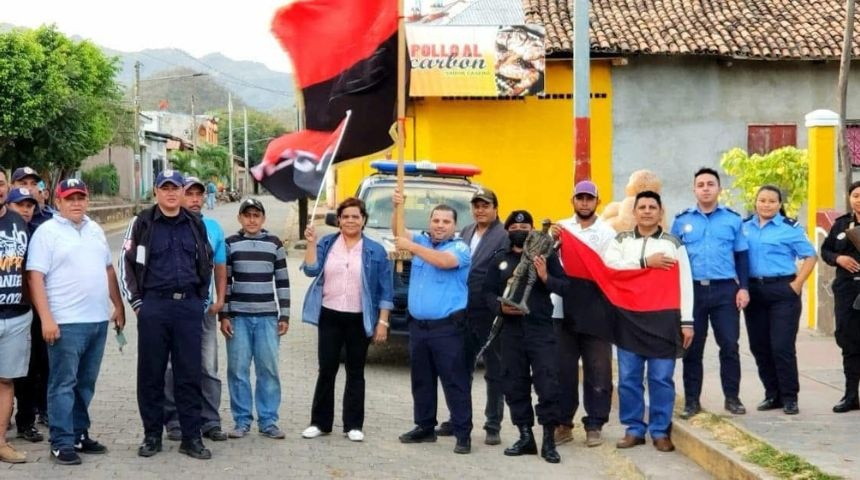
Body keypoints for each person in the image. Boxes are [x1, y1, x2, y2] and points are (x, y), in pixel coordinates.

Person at [27, 179, 125, 465]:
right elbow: (35, 277)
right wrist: (46, 318)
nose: (76, 203)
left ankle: (80, 433)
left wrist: (118, 305)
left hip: (97, 321)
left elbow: (108, 269)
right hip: (65, 322)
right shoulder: (47, 232)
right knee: (63, 383)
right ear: (58, 201)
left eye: (81, 197)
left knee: (86, 383)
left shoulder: (95, 230)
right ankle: (61, 441)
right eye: (70, 198)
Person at [118, 169, 214, 460]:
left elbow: (207, 263)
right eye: (165, 187)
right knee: (151, 374)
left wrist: (201, 301)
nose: (171, 193)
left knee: (189, 374)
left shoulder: (196, 224)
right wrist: (137, 304)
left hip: (188, 308)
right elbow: (126, 264)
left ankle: (191, 437)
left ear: (183, 192)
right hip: (154, 308)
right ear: (156, 191)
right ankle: (151, 436)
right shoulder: (142, 223)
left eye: (176, 188)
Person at [604, 191, 694, 453]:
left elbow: (685, 283)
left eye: (651, 207)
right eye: (641, 206)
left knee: (661, 378)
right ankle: (634, 429)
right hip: (628, 319)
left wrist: (687, 321)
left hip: (664, 321)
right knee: (629, 378)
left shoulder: (672, 244)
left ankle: (659, 430)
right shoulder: (620, 241)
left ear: (660, 212)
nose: (646, 211)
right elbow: (611, 269)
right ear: (634, 212)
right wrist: (645, 262)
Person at [300, 198, 393, 442]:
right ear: (338, 220)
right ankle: (320, 423)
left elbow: (386, 290)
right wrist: (310, 244)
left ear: (363, 220)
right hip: (329, 314)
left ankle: (353, 424)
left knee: (355, 371)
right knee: (327, 369)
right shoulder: (327, 243)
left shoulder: (376, 250)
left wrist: (382, 322)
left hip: (360, 317)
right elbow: (310, 270)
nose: (351, 220)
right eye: (346, 216)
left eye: (356, 216)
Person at [392, 191, 473, 454]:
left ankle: (462, 434)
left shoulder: (460, 248)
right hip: (419, 327)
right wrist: (397, 207)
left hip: (447, 329)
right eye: (435, 220)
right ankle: (425, 427)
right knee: (422, 381)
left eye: (445, 222)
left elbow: (444, 262)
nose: (439, 225)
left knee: (454, 382)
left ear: (454, 226)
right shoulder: (422, 240)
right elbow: (399, 230)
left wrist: (411, 246)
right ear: (430, 223)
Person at [672, 167, 749, 419]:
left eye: (710, 184)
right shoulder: (681, 221)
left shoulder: (732, 219)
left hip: (725, 290)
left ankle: (732, 398)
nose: (705, 188)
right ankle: (692, 401)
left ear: (719, 189)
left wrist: (744, 288)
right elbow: (673, 258)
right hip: (692, 291)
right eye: (701, 184)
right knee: (692, 347)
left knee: (729, 345)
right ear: (694, 189)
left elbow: (741, 256)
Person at [489, 210, 563, 463]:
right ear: (507, 231)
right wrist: (499, 307)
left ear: (533, 231)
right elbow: (486, 292)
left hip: (540, 329)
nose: (519, 231)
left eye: (525, 227)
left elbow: (565, 286)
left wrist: (545, 276)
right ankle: (525, 436)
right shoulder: (500, 257)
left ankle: (549, 441)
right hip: (510, 331)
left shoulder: (547, 256)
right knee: (514, 384)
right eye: (513, 228)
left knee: (548, 384)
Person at [550, 180, 616, 447]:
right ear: (573, 201)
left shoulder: (608, 232)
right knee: (562, 369)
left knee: (598, 368)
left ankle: (595, 424)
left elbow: (610, 268)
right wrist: (550, 240)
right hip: (562, 307)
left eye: (589, 198)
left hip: (597, 308)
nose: (585, 202)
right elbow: (547, 261)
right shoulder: (561, 229)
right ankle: (563, 423)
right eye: (580, 198)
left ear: (597, 202)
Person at [163, 176, 228, 442]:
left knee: (207, 367)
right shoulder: (167, 226)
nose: (195, 200)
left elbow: (220, 267)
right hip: (172, 310)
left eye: (199, 195)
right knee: (171, 367)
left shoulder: (213, 227)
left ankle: (209, 420)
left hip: (203, 311)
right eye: (189, 194)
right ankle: (175, 420)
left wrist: (220, 299)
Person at [219, 198, 290, 440]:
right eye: (247, 215)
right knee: (237, 370)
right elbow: (225, 282)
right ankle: (241, 421)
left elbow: (282, 280)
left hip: (268, 318)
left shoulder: (274, 243)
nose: (251, 220)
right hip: (238, 318)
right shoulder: (230, 244)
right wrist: (224, 315)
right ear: (240, 218)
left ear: (263, 218)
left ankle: (268, 420)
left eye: (256, 215)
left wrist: (285, 314)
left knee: (268, 370)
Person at [743, 186, 816, 415]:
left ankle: (789, 397)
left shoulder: (790, 228)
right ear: (755, 202)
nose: (766, 204)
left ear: (779, 204)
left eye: (772, 201)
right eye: (762, 200)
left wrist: (797, 284)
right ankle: (772, 394)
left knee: (782, 346)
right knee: (759, 346)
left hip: (783, 292)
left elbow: (811, 256)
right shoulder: (744, 227)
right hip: (754, 291)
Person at [449, 188, 508, 445]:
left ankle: (493, 424)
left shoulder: (504, 235)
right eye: (476, 205)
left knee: (495, 369)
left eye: (485, 205)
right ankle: (458, 419)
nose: (480, 209)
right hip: (463, 309)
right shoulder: (466, 231)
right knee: (460, 367)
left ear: (495, 207)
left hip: (489, 312)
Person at [10, 168, 52, 443]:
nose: (26, 210)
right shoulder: (4, 225)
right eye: (21, 187)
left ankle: (33, 416)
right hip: (9, 306)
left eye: (32, 185)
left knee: (39, 362)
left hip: (38, 306)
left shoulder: (47, 225)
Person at [0, 170, 32, 465]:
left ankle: (1, 442)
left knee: (6, 380)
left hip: (17, 316)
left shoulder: (19, 223)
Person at [822, 180, 860, 413]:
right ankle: (850, 395)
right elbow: (825, 250)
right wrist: (839, 259)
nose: (859, 199)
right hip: (847, 290)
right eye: (855, 195)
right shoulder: (841, 224)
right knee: (849, 341)